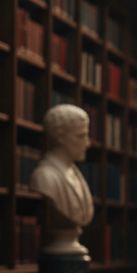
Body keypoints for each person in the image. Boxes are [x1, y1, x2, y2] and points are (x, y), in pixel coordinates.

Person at [31, 104, 94, 254]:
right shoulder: (45, 177)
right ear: (60, 137)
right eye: (81, 136)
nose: (87, 143)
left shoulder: (76, 176)